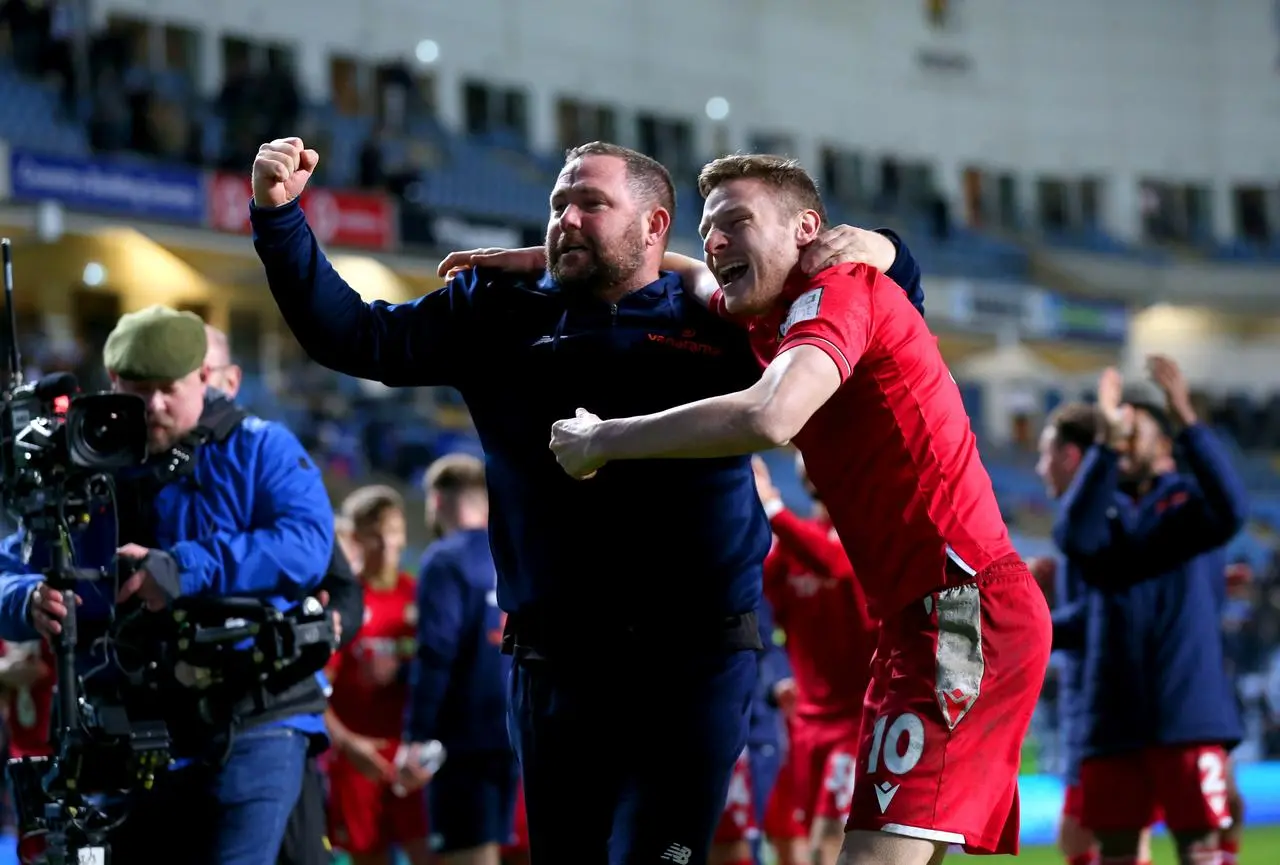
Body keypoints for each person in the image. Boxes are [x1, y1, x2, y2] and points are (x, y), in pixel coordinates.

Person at [250, 134, 920, 864]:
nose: (566, 217)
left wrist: (887, 249)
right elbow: (356, 337)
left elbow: (883, 311)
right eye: (558, 204)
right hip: (553, 669)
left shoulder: (721, 317)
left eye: (591, 203)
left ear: (655, 226)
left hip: (691, 665)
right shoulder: (493, 308)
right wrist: (280, 218)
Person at [546, 154, 1052, 865]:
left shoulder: (841, 288)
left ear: (807, 230)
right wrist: (541, 258)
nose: (715, 240)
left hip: (962, 611)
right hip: (922, 616)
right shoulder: (773, 309)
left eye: (735, 222)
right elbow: (687, 273)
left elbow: (772, 413)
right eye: (708, 227)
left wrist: (604, 439)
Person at [0, 305, 333, 865]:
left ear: (204, 377)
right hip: (124, 729)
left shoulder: (260, 447)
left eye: (167, 389)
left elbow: (307, 543)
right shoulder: (82, 460)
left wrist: (182, 567)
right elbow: (10, 566)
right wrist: (26, 599)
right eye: (137, 389)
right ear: (112, 384)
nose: (153, 405)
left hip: (253, 717)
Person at [1053, 360, 1248, 865]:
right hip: (1112, 715)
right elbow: (1073, 539)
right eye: (1120, 430)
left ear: (1164, 442)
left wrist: (1186, 417)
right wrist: (1102, 446)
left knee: (1200, 848)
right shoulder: (1102, 509)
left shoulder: (1188, 506)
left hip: (1186, 712)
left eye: (1135, 430)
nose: (1125, 440)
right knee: (1116, 850)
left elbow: (1233, 508)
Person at [202, 322, 365, 865]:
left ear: (231, 378)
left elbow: (344, 589)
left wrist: (333, 625)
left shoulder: (268, 459)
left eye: (207, 374)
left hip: (279, 712)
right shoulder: (148, 468)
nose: (198, 390)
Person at [1033, 402, 1155, 865]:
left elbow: (1105, 612)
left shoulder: (1102, 519)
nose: (1040, 467)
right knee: (1083, 836)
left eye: (1047, 454)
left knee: (1111, 837)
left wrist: (1035, 625)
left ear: (1071, 457)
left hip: (1112, 706)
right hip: (1091, 703)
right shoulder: (1089, 522)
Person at [752, 454, 874, 865]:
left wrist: (772, 505)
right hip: (804, 724)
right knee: (800, 845)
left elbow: (834, 563)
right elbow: (759, 613)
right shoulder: (792, 548)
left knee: (830, 841)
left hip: (857, 722)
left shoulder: (863, 536)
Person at [400, 453, 518, 865]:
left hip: (463, 740)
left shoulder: (444, 559)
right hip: (517, 730)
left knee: (468, 854)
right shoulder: (512, 555)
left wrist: (417, 735)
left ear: (436, 501)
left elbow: (437, 650)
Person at [325, 485, 431, 865]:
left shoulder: (419, 595)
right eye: (375, 533)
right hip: (356, 757)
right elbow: (315, 690)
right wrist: (348, 744)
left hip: (413, 757)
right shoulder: (342, 603)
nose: (387, 544)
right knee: (368, 856)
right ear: (355, 538)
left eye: (394, 531)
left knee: (429, 854)